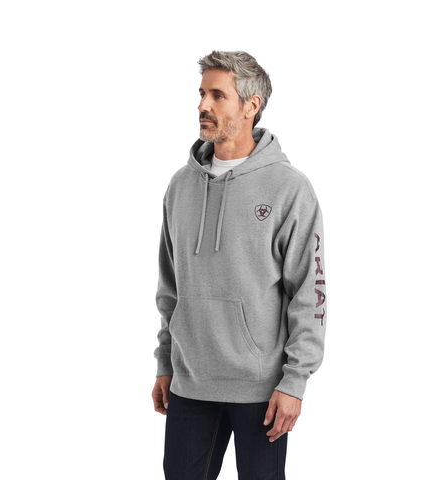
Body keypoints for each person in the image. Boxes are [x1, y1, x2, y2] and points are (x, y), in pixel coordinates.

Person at [151, 50, 327, 480]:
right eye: (201, 94)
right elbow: (170, 287)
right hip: (190, 383)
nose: (202, 105)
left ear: (251, 106)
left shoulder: (289, 189)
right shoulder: (180, 186)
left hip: (262, 389)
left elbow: (309, 293)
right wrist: (165, 362)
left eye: (217, 95)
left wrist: (294, 380)